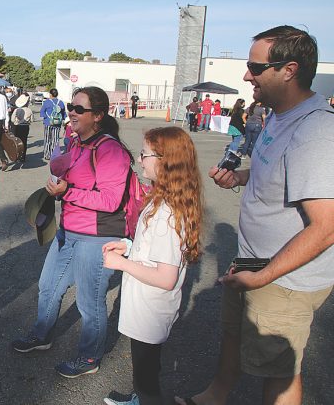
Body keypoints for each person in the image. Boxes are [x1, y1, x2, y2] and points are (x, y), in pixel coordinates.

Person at [176, 25, 334, 405]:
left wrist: (262, 276)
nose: (247, 75)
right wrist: (241, 178)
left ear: (289, 70)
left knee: (279, 371)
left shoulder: (315, 132)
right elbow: (283, 177)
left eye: (255, 66)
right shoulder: (278, 114)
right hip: (252, 262)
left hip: (283, 278)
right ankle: (216, 395)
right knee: (234, 334)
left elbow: (327, 227)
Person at [12, 86, 133, 379]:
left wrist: (69, 192)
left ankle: (89, 356)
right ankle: (42, 335)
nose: (72, 112)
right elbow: (61, 171)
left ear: (98, 116)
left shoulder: (111, 151)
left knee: (89, 301)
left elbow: (110, 201)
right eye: (70, 106)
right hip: (69, 230)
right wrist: (61, 162)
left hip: (99, 235)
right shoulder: (76, 143)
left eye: (79, 109)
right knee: (47, 286)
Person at [102, 127, 203, 405]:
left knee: (146, 379)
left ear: (164, 160)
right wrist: (129, 247)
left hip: (150, 309)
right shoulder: (164, 200)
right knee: (147, 369)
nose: (140, 160)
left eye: (144, 154)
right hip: (147, 308)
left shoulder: (168, 214)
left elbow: (166, 276)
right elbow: (154, 253)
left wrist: (121, 264)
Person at [40, 88, 67, 160]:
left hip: (48, 123)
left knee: (47, 139)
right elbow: (64, 113)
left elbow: (42, 112)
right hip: (57, 123)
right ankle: (55, 155)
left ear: (50, 94)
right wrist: (64, 120)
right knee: (55, 139)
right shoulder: (61, 102)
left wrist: (46, 117)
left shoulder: (47, 102)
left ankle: (47, 155)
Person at [11, 91, 33, 163]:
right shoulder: (29, 110)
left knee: (17, 142)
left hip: (18, 126)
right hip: (25, 127)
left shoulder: (17, 110)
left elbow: (12, 119)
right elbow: (32, 120)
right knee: (24, 141)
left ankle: (17, 156)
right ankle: (23, 157)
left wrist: (16, 122)